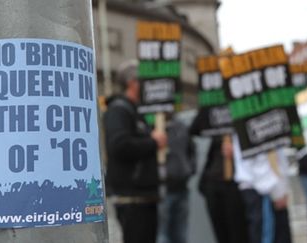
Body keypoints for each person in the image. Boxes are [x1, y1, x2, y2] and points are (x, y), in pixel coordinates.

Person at [103, 60, 167, 243]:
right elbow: (119, 145)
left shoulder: (135, 111)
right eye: (144, 81)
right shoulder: (118, 110)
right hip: (131, 198)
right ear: (132, 82)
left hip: (144, 196)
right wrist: (152, 142)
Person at [190, 114, 249, 243]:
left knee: (238, 233)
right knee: (221, 234)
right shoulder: (215, 117)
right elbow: (194, 129)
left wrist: (237, 148)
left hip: (236, 184)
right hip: (213, 183)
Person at [231, 135, 292, 243]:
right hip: (253, 187)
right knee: (260, 231)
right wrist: (277, 188)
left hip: (275, 186)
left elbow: (279, 156)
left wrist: (281, 188)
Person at [157, 115, 196, 243]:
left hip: (181, 187)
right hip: (161, 190)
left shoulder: (180, 125)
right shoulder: (153, 125)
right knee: (162, 235)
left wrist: (189, 169)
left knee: (181, 234)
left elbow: (191, 149)